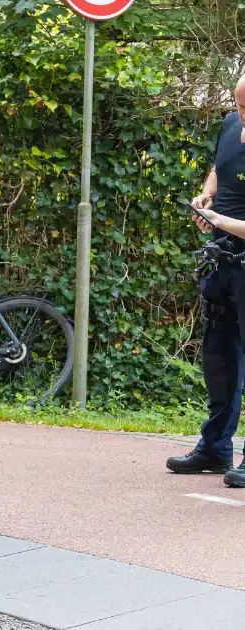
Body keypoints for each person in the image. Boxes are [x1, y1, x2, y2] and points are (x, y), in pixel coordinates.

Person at [169, 76, 245, 488]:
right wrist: (206, 198)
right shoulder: (233, 124)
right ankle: (215, 449)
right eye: (240, 107)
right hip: (221, 265)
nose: (243, 117)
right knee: (218, 362)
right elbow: (220, 167)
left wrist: (223, 223)